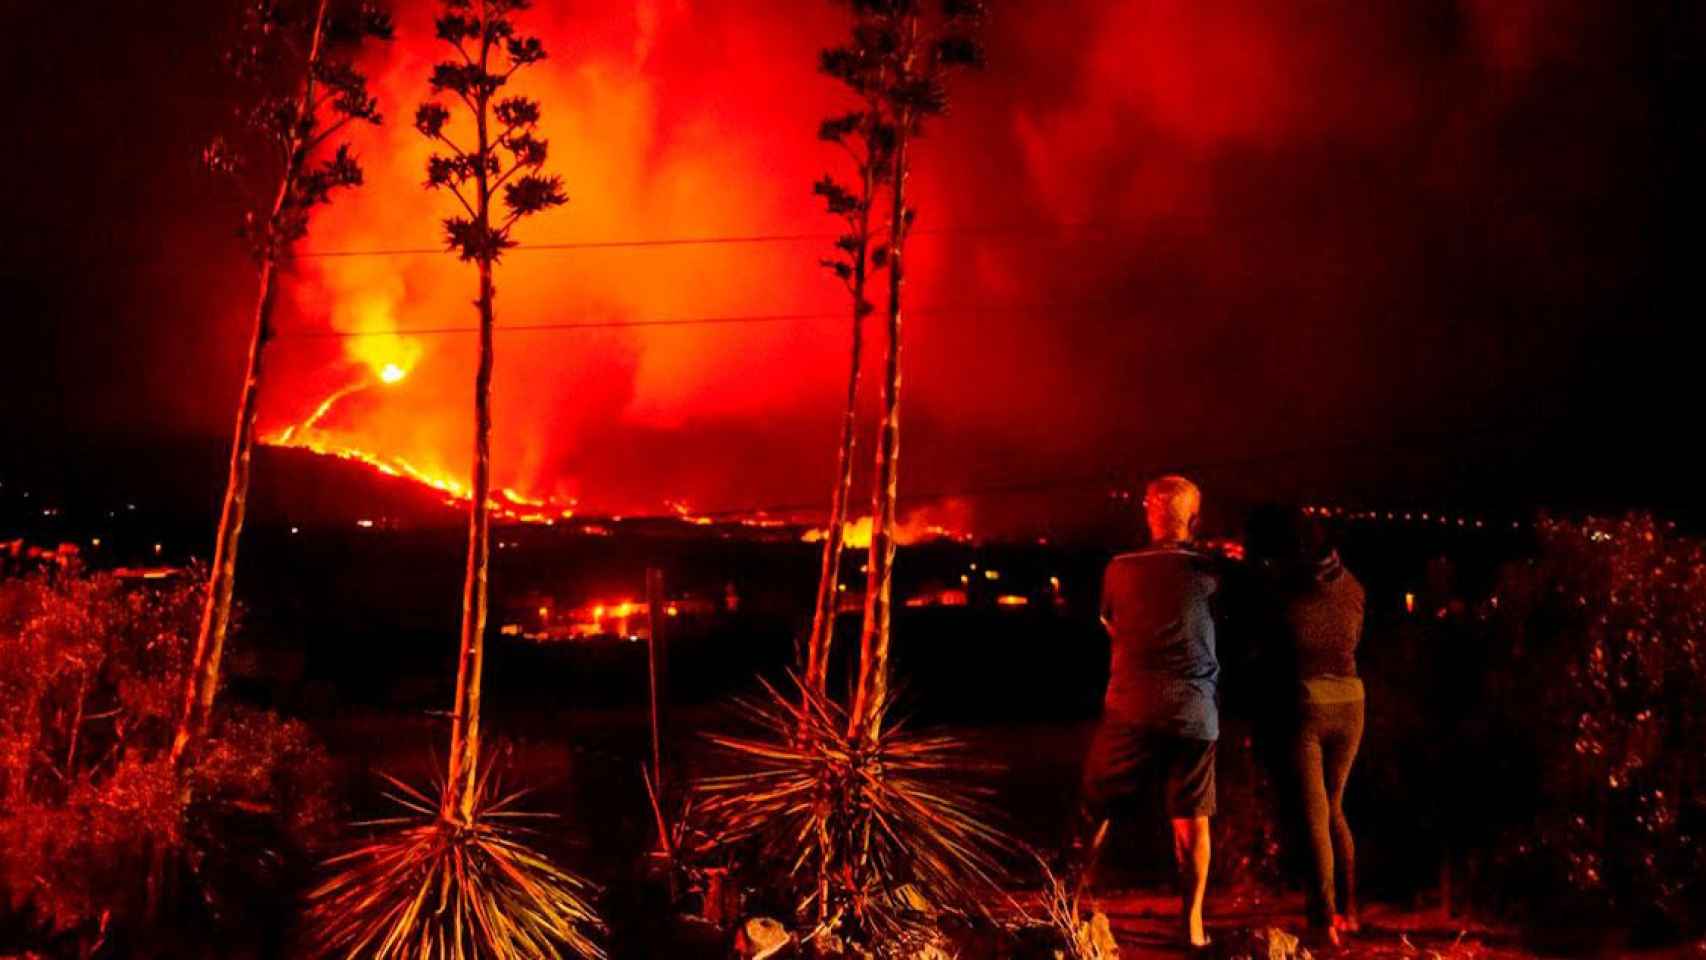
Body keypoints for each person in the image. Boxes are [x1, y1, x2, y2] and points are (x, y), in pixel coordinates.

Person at [1082, 475, 1222, 949]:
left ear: (1148, 513)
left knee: (1095, 808)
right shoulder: (1211, 570)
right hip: (1193, 711)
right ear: (1193, 519)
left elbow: (1109, 625)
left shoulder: (1119, 568)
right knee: (1192, 820)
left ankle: (1073, 900)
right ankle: (1192, 925)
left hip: (1130, 706)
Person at [1248, 506, 1365, 946]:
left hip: (1307, 703)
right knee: (1335, 808)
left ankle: (1322, 921)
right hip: (1352, 701)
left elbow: (1269, 646)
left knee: (1314, 816)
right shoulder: (1354, 586)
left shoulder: (1285, 590)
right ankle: (1348, 912)